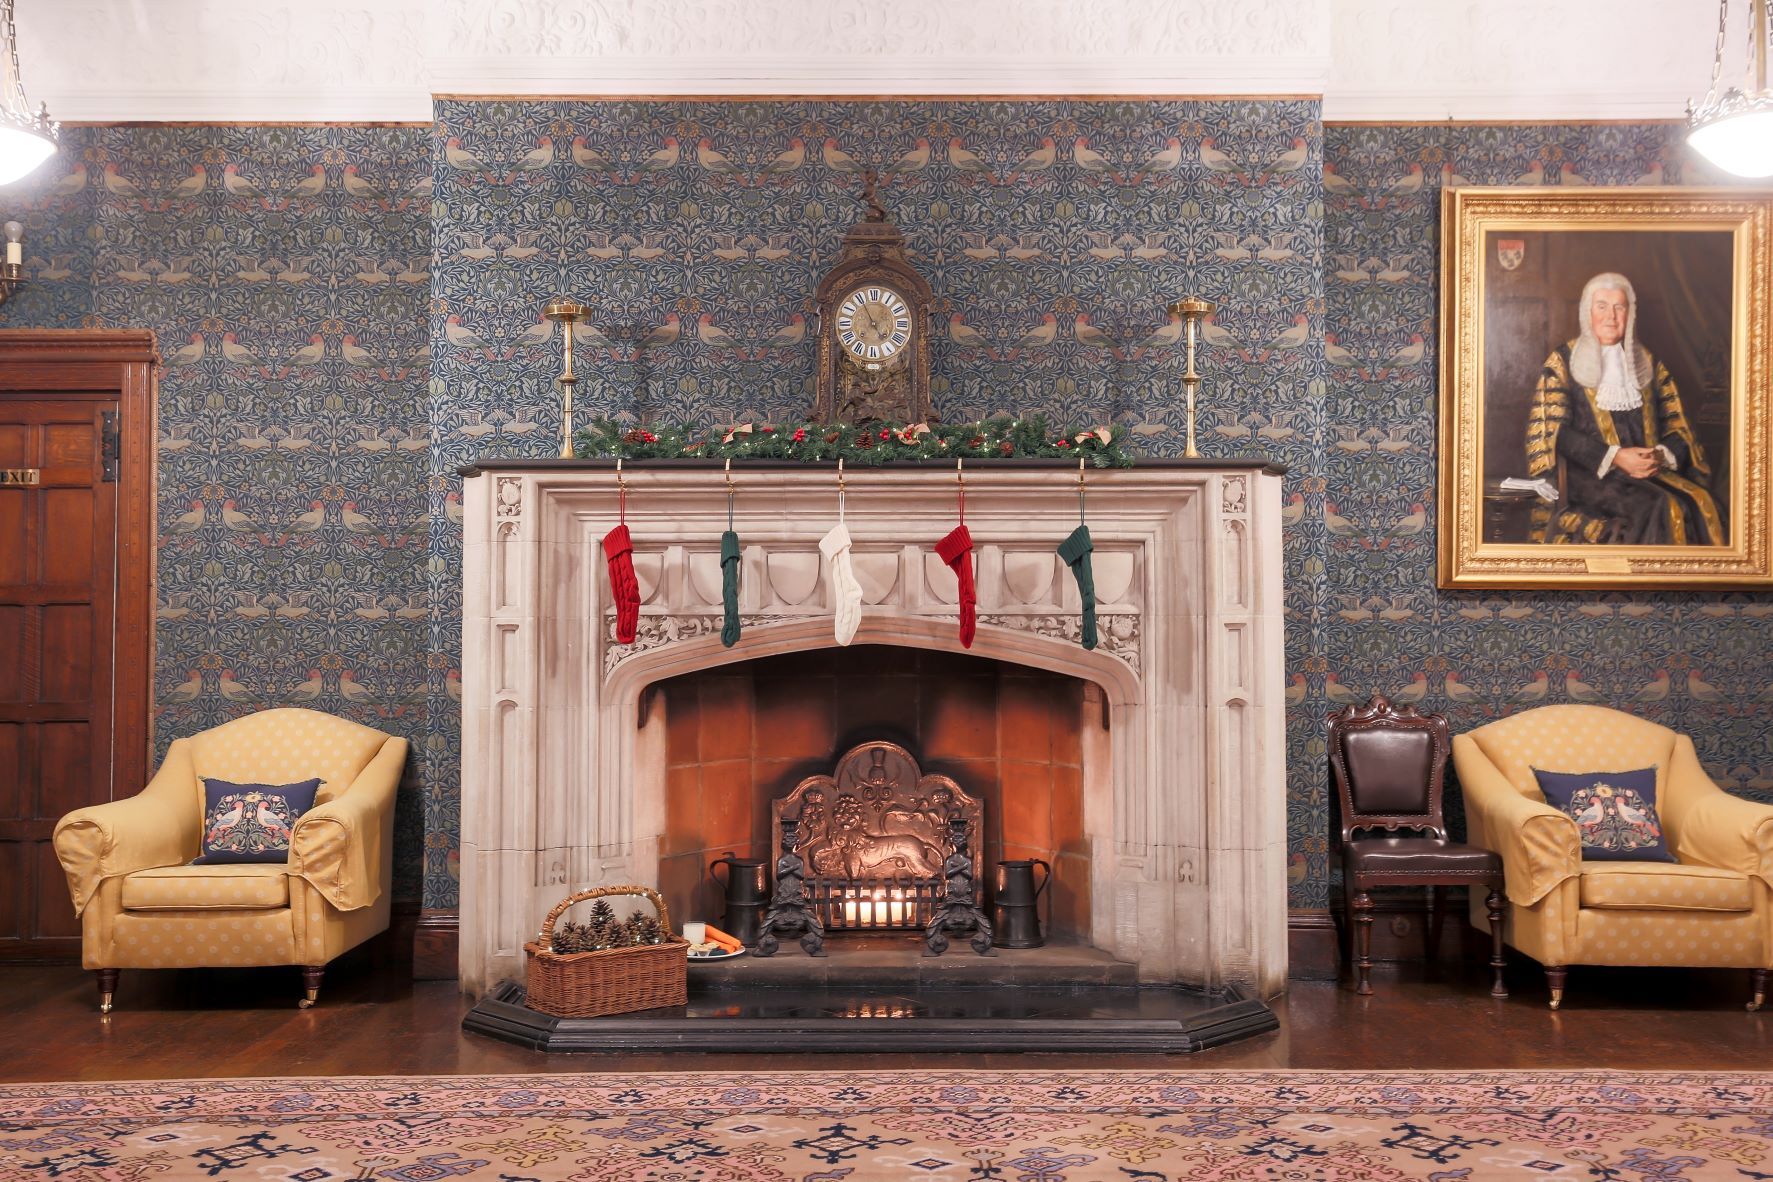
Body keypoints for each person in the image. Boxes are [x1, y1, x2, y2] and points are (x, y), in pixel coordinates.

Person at [1524, 271, 1726, 545]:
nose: (1611, 316)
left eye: (1620, 307)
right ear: (1587, 312)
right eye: (1602, 306)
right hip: (1590, 478)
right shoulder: (1563, 362)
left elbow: (1679, 428)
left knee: (1705, 503)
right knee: (1659, 507)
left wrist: (1660, 455)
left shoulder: (1650, 364)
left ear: (1630, 314)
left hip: (1652, 472)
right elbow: (1555, 433)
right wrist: (1616, 457)